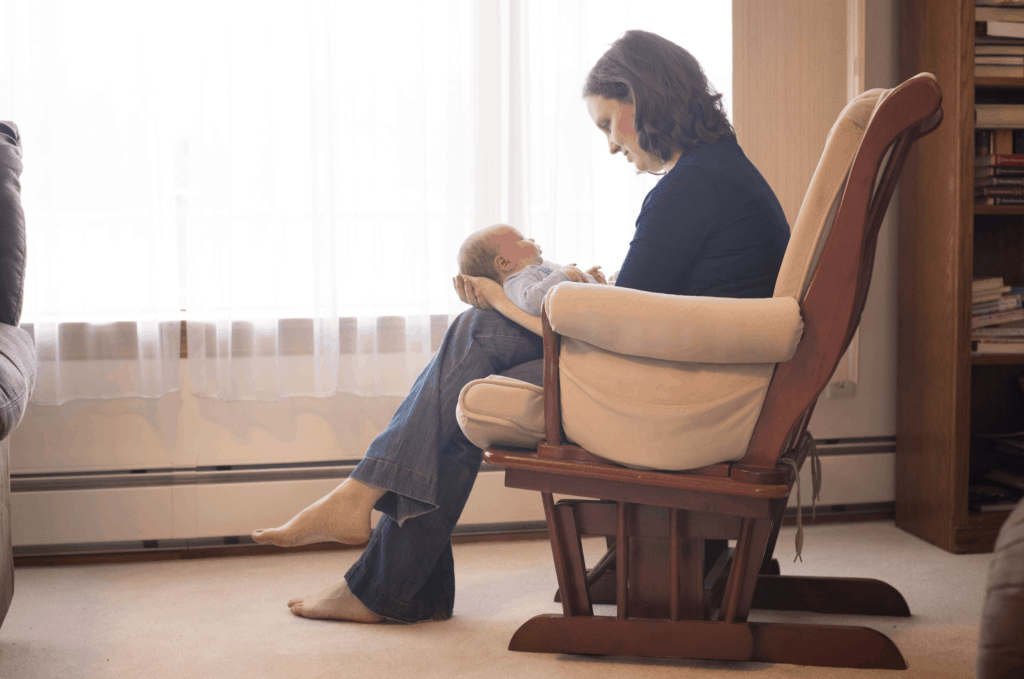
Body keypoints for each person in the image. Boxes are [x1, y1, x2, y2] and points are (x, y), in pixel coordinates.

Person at [251, 29, 790, 624]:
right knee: (470, 357)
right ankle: (382, 565)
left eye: (607, 124)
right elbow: (651, 308)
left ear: (642, 100)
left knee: (475, 335)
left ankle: (373, 538)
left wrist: (499, 300)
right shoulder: (719, 173)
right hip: (691, 373)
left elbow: (615, 327)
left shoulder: (691, 188)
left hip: (673, 390)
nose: (612, 146)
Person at [458, 224, 605, 316]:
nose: (532, 240)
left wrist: (587, 277)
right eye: (522, 239)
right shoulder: (516, 281)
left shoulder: (539, 269)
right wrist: (564, 275)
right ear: (505, 262)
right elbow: (533, 302)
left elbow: (564, 282)